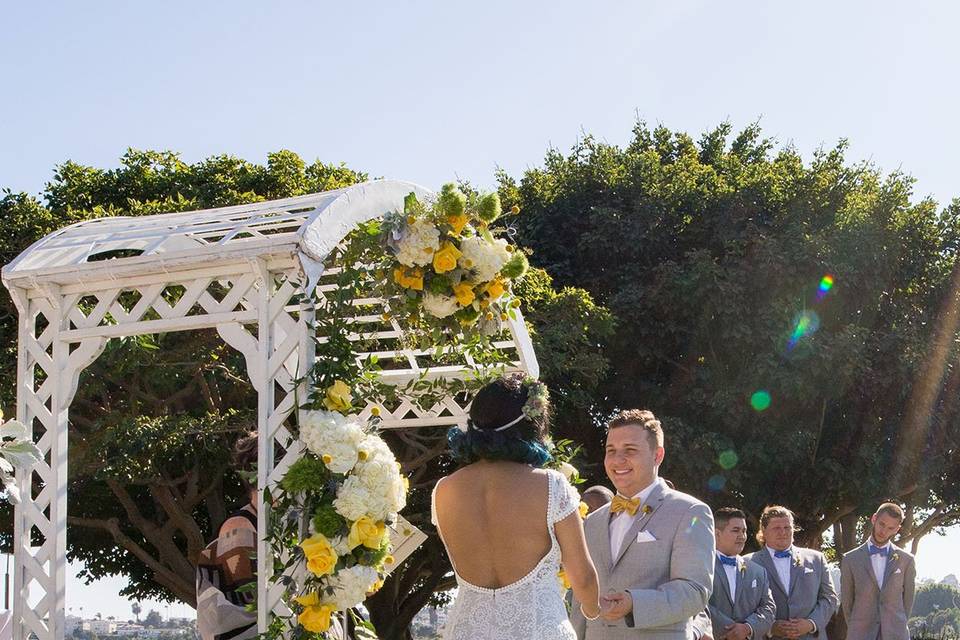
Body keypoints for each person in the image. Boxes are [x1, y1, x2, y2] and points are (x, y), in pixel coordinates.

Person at [433, 374, 600, 640]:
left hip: (467, 631)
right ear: (533, 425)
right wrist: (593, 611)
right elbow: (583, 577)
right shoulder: (551, 486)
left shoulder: (443, 490)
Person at [571, 409, 715, 640]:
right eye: (611, 451)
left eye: (630, 450)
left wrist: (634, 603)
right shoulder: (592, 521)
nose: (618, 460)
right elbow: (580, 597)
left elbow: (695, 591)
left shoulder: (690, 512)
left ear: (657, 455)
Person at [745, 506, 838, 640]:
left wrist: (811, 623)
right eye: (777, 528)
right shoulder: (748, 563)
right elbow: (744, 607)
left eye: (787, 527)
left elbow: (829, 598)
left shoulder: (816, 559)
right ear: (764, 531)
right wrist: (770, 627)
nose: (783, 532)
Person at [840, 502, 916, 640]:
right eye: (882, 524)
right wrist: (856, 628)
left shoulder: (907, 560)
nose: (884, 531)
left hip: (896, 635)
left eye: (890, 528)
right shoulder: (850, 559)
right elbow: (847, 603)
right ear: (874, 518)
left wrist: (897, 625)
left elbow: (908, 602)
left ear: (897, 529)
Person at [707, 508, 776, 640]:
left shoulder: (758, 571)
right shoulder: (701, 565)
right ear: (716, 534)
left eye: (744, 531)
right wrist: (729, 630)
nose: (742, 536)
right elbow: (697, 604)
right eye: (735, 530)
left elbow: (769, 608)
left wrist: (748, 628)